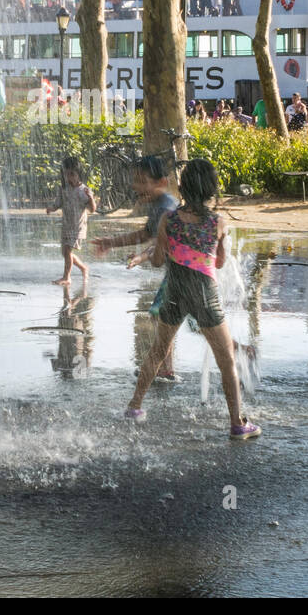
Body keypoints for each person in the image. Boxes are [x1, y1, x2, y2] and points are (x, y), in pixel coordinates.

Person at [124, 159, 260, 440]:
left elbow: (159, 259)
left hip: (175, 291)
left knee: (158, 351)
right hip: (204, 295)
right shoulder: (217, 222)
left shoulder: (168, 219)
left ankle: (135, 406)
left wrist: (167, 253)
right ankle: (237, 423)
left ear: (183, 187)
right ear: (211, 190)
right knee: (226, 361)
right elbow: (220, 263)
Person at [94, 155, 182, 379]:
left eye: (142, 181)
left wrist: (143, 256)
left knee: (162, 316)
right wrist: (112, 243)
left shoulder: (166, 208)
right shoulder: (162, 204)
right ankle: (167, 367)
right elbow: (147, 236)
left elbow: (155, 242)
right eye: (134, 180)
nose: (135, 186)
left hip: (182, 275)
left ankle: (164, 368)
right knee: (195, 322)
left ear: (161, 182)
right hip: (180, 274)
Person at [45, 156, 97, 285]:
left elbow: (92, 209)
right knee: (65, 252)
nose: (69, 178)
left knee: (67, 251)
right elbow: (58, 203)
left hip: (78, 226)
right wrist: (51, 208)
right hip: (67, 225)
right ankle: (83, 268)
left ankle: (66, 277)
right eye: (66, 175)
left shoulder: (83, 190)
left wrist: (91, 198)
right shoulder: (63, 188)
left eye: (72, 174)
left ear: (79, 174)